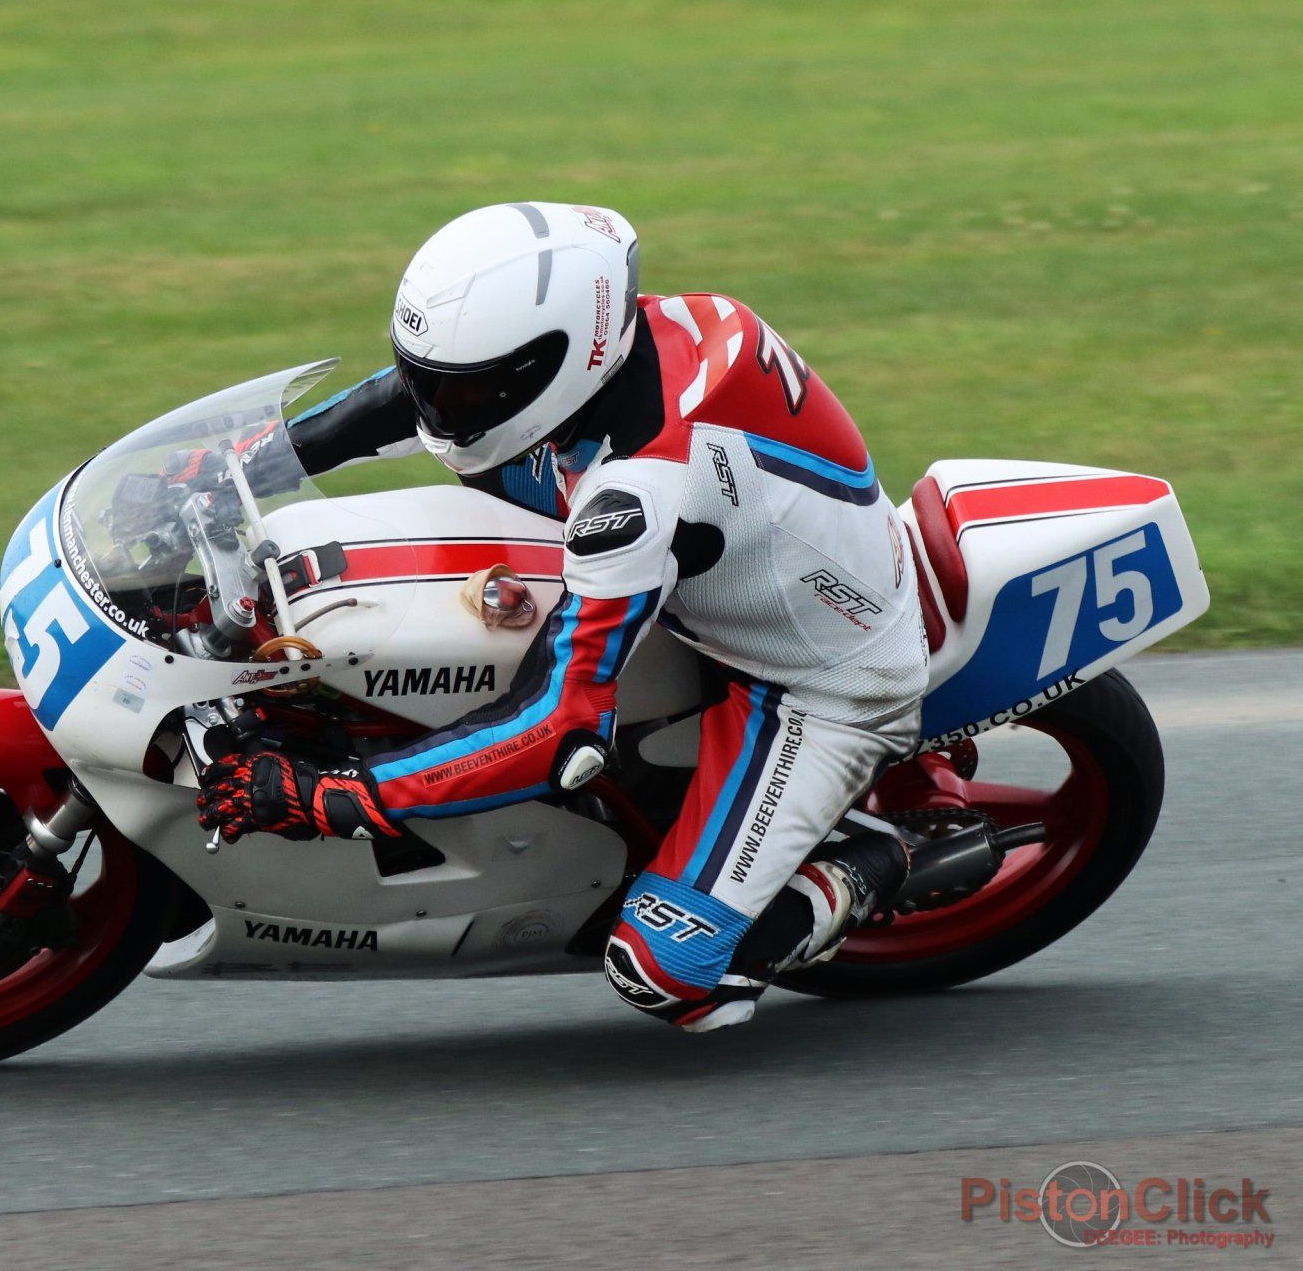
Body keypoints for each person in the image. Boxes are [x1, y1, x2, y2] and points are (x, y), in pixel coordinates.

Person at [194, 203, 928, 1030]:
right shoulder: (632, 339)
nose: (440, 406)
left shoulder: (637, 495)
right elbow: (407, 405)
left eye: (467, 388)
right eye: (432, 376)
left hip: (814, 681)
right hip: (733, 555)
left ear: (569, 356)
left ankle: (874, 859)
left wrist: (340, 794)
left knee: (666, 970)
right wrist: (239, 467)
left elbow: (559, 727)